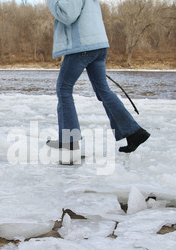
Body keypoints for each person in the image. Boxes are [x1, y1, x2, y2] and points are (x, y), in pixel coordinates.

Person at [46, 0, 150, 154]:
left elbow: (68, 15)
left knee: (63, 88)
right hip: (98, 44)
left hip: (82, 46)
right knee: (103, 91)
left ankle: (69, 141)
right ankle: (134, 133)